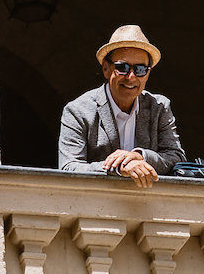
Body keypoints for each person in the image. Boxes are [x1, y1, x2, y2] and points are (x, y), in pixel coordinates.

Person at [58, 24, 185, 189]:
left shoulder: (160, 107)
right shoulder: (77, 111)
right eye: (122, 67)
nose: (131, 77)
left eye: (140, 69)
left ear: (148, 73)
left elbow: (176, 158)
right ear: (106, 68)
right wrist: (118, 167)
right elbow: (68, 168)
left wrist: (140, 156)